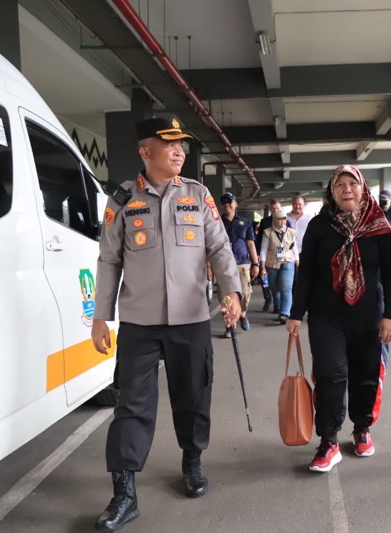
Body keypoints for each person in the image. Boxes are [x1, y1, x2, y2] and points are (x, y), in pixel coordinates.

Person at [91, 116, 242, 532]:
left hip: (191, 318)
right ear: (146, 152)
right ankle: (124, 492)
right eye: (170, 143)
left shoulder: (197, 194)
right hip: (139, 322)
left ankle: (192, 461)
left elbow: (219, 247)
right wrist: (100, 318)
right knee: (131, 405)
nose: (180, 151)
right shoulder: (122, 199)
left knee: (193, 395)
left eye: (182, 145)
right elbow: (108, 261)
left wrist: (232, 292)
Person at [287, 164, 391, 473]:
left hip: (369, 316)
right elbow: (306, 272)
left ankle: (361, 428)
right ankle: (329, 439)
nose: (346, 189)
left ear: (363, 188)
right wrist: (296, 313)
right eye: (339, 185)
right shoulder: (320, 226)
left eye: (352, 183)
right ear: (331, 192)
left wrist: (390, 316)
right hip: (326, 317)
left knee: (365, 374)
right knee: (330, 374)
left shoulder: (379, 225)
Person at [220, 191, 260, 337]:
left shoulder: (245, 223)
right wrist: (209, 266)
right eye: (224, 202)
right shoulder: (217, 223)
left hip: (243, 263)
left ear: (235, 204)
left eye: (229, 202)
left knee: (246, 293)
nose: (227, 205)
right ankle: (230, 327)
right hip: (223, 264)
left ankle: (242, 314)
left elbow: (250, 244)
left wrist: (256, 264)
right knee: (226, 297)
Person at [259, 209, 299, 324]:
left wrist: (297, 261)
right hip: (272, 263)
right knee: (274, 288)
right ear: (274, 220)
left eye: (284, 219)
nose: (282, 221)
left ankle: (284, 313)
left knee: (286, 287)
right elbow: (263, 250)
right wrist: (262, 266)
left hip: (288, 261)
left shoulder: (291, 232)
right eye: (280, 219)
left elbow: (294, 248)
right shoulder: (268, 232)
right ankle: (279, 306)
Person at [255, 198, 291, 312]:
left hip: (285, 258)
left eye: (277, 208)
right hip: (268, 257)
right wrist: (258, 255)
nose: (275, 210)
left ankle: (282, 309)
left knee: (285, 286)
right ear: (270, 209)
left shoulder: (287, 222)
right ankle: (268, 300)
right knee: (269, 283)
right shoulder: (265, 222)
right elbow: (259, 239)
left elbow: (291, 241)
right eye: (273, 208)